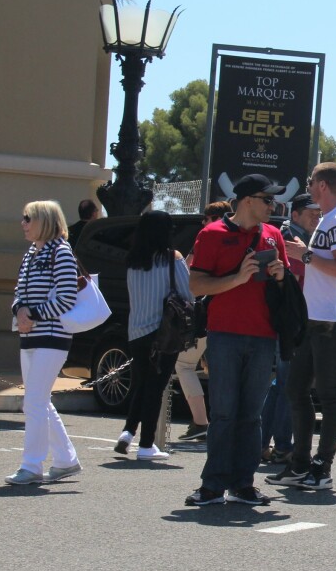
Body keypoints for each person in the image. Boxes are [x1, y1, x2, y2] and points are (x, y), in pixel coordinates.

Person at [183, 174, 288, 506]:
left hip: (263, 336)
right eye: (267, 200)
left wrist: (281, 275)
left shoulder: (273, 236)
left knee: (251, 415)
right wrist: (237, 279)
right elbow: (196, 286)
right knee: (225, 412)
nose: (273, 206)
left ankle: (243, 484)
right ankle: (212, 485)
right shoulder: (211, 234)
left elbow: (286, 283)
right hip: (224, 335)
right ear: (247, 201)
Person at [269, 163, 336, 490]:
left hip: (330, 320)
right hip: (316, 318)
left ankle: (322, 466)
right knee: (296, 389)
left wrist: (304, 254)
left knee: (327, 395)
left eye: (311, 182)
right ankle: (301, 463)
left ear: (322, 185)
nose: (308, 187)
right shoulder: (331, 220)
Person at [6, 201, 80, 485]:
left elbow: (66, 299)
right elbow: (19, 292)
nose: (23, 223)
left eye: (28, 218)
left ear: (44, 221)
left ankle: (32, 466)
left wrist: (32, 314)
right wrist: (19, 310)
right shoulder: (30, 253)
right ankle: (66, 460)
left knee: (34, 401)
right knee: (40, 401)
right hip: (30, 336)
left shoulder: (61, 253)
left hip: (52, 336)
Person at [112, 211, 192, 461]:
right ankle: (147, 444)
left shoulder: (133, 261)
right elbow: (188, 294)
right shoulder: (172, 258)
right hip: (164, 331)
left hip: (136, 330)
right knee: (156, 388)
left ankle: (127, 432)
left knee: (141, 384)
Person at [259, 194, 322, 464]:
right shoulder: (289, 240)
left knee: (281, 384)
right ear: (295, 214)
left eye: (319, 213)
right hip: (291, 321)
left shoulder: (302, 239)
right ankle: (283, 446)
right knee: (290, 384)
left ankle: (261, 442)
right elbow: (295, 280)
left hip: (292, 320)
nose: (317, 217)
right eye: (311, 212)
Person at [173, 200, 231, 443]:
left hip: (205, 315)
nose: (203, 223)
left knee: (183, 365)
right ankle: (225, 425)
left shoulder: (207, 240)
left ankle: (200, 421)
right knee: (225, 373)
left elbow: (188, 276)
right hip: (230, 316)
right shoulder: (235, 241)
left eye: (206, 219)